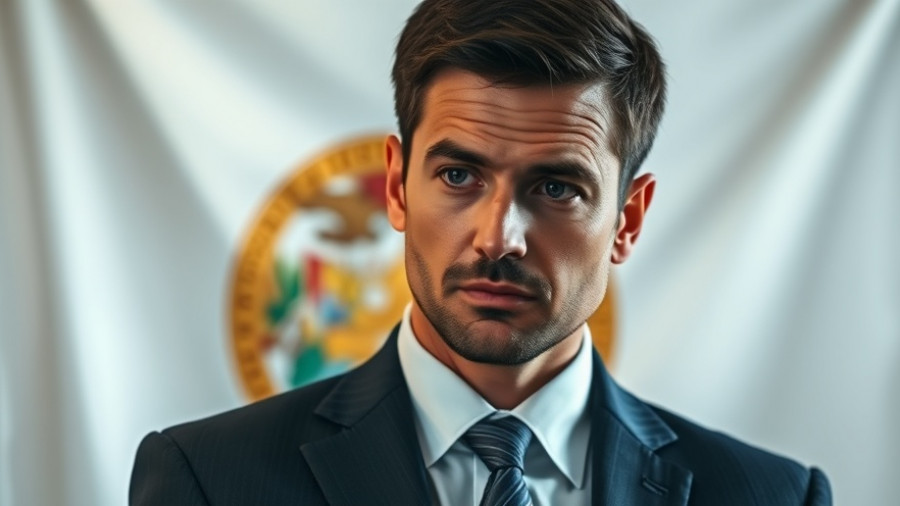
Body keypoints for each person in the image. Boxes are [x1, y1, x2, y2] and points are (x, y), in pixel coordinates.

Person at [130, 0, 833, 504]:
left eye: (557, 187)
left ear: (629, 217)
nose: (499, 238)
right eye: (459, 176)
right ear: (398, 187)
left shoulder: (772, 496)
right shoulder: (208, 479)